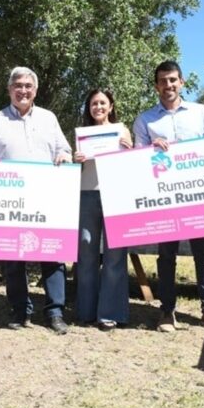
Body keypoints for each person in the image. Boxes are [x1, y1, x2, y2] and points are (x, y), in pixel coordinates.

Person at [133, 60, 204, 334]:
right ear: (156, 86)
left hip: (198, 195)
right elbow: (136, 159)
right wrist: (149, 149)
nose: (168, 85)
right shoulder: (145, 120)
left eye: (173, 80)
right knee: (166, 256)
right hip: (165, 199)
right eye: (163, 81)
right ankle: (167, 311)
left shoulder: (200, 112)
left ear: (182, 82)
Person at [0, 66, 73, 334]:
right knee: (13, 257)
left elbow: (64, 149)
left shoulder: (49, 118)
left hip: (46, 198)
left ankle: (55, 312)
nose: (23, 90)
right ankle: (20, 311)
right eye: (18, 85)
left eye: (28, 86)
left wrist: (64, 156)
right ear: (9, 89)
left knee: (52, 255)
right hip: (10, 201)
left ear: (35, 91)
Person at [73, 89, 132, 331]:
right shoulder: (81, 135)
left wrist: (130, 150)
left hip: (115, 195)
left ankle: (110, 312)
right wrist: (75, 160)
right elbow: (76, 169)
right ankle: (86, 311)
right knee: (86, 251)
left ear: (110, 106)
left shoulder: (122, 131)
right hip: (87, 195)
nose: (98, 107)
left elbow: (131, 165)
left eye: (102, 103)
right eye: (93, 103)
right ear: (89, 108)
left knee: (115, 256)